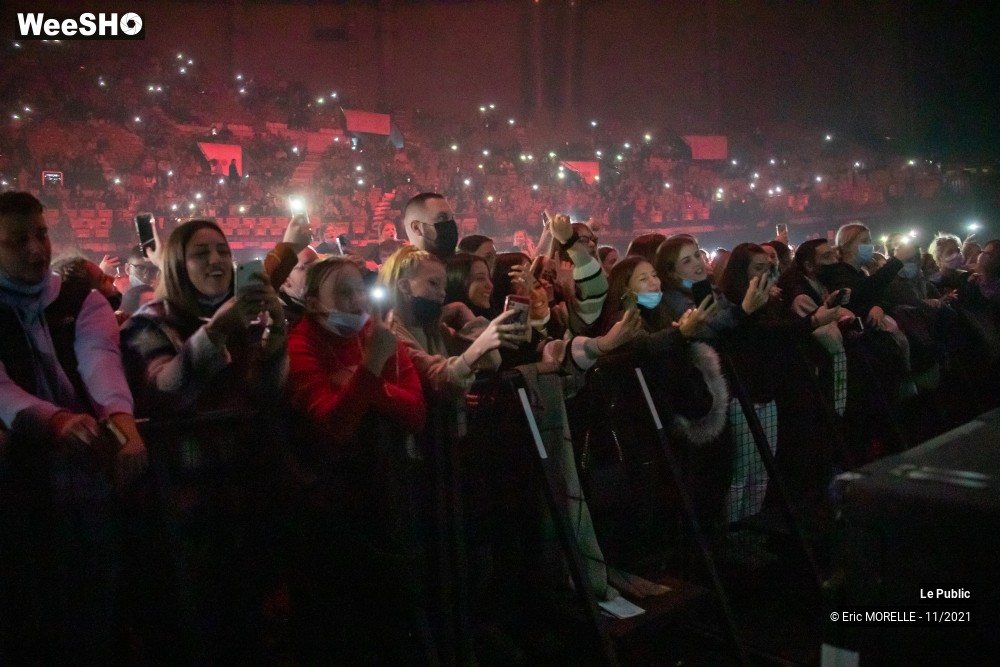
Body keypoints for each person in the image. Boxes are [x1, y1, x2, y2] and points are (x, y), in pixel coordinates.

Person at [0, 191, 146, 662]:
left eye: (40, 235)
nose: (37, 250)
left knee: (98, 599)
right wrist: (55, 421)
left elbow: (99, 361)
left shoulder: (82, 299)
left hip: (84, 475)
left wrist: (119, 417)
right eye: (16, 241)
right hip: (20, 484)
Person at [285, 256, 429, 663]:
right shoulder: (301, 344)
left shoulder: (376, 335)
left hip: (386, 501)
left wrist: (363, 383)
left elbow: (416, 412)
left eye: (358, 291)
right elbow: (334, 428)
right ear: (314, 303)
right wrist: (371, 370)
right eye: (342, 293)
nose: (355, 301)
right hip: (330, 510)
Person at [401, 192, 459, 259]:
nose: (451, 223)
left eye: (452, 217)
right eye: (441, 218)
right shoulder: (402, 269)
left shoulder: (462, 267)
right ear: (416, 227)